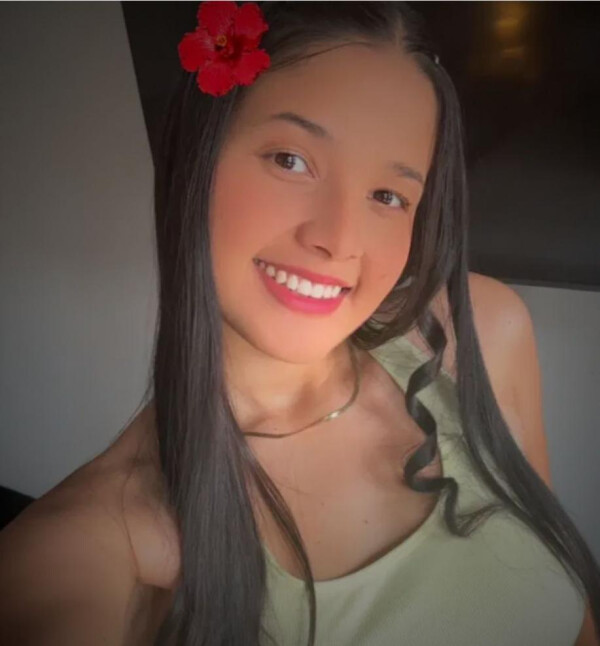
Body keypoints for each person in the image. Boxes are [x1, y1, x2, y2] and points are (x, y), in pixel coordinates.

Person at [0, 2, 598, 645]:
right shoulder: (90, 546)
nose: (339, 239)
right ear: (197, 158)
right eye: (290, 160)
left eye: (389, 196)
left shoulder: (480, 334)